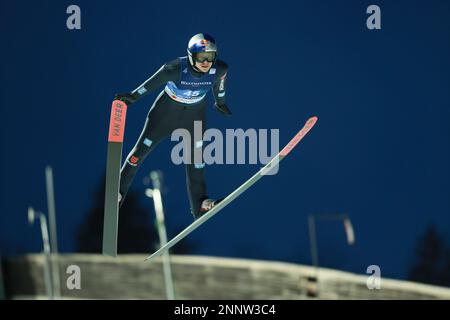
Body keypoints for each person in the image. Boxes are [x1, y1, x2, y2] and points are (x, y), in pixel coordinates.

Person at [114, 33, 231, 220]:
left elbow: (220, 85)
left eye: (210, 57)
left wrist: (220, 102)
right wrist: (133, 97)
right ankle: (117, 193)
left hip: (194, 117)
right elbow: (150, 84)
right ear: (191, 55)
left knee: (197, 161)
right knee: (140, 152)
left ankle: (200, 204)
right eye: (202, 57)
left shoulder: (220, 68)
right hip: (165, 114)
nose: (206, 62)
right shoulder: (174, 68)